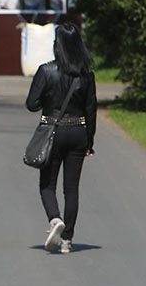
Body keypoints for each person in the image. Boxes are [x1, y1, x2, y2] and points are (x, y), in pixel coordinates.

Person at [25, 23, 97, 254]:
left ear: (57, 45)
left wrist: (48, 100)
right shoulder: (87, 75)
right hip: (78, 132)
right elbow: (91, 110)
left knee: (47, 185)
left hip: (52, 131)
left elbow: (31, 105)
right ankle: (67, 240)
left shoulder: (46, 71)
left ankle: (55, 220)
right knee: (72, 188)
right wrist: (89, 142)